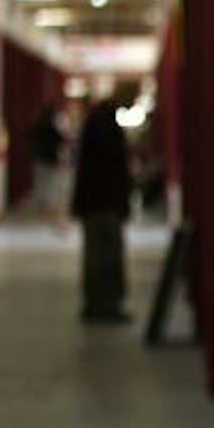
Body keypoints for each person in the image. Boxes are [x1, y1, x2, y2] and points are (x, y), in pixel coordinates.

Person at [71, 86, 135, 323]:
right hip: (104, 203)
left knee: (94, 254)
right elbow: (113, 170)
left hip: (93, 202)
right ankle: (106, 306)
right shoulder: (106, 125)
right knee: (105, 255)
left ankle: (94, 303)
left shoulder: (96, 121)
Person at [29, 103, 69, 228]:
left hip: (39, 159)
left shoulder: (37, 127)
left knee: (41, 185)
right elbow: (62, 140)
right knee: (52, 186)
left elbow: (31, 139)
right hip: (50, 160)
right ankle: (51, 212)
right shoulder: (52, 128)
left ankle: (43, 209)